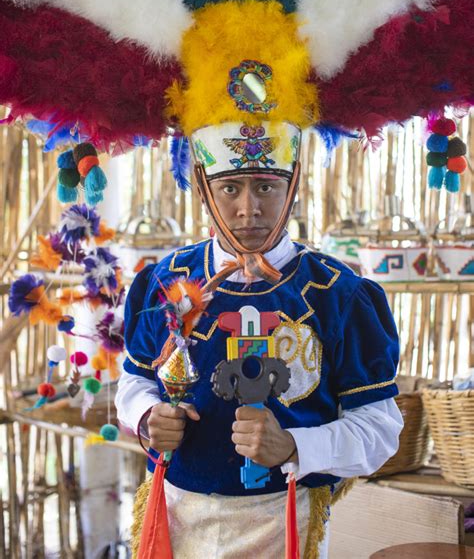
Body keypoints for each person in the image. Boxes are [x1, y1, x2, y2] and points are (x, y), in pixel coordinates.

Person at [116, 119, 403, 559]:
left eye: (266, 187)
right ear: (202, 187)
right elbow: (134, 382)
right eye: (230, 188)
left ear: (293, 187)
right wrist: (146, 416)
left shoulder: (338, 294)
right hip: (175, 515)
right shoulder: (166, 280)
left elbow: (380, 431)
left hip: (286, 520)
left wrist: (293, 445)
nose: (248, 208)